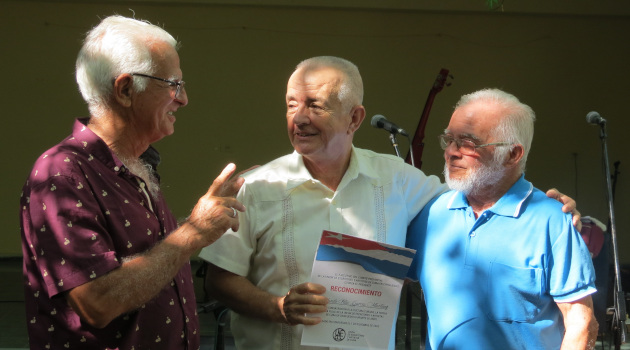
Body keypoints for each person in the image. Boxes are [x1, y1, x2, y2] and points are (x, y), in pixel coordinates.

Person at [199, 57, 579, 350]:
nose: (299, 118)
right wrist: (277, 307)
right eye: (291, 104)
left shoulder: (398, 179)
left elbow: (477, 193)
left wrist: (548, 208)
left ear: (354, 118)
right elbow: (219, 279)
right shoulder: (258, 186)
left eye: (315, 105)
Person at [20, 15, 246, 350]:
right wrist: (193, 232)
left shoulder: (138, 165)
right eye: (174, 84)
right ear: (125, 89)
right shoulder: (61, 172)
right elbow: (97, 302)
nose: (183, 99)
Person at [405, 88, 598, 349]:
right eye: (449, 139)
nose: (451, 152)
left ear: (512, 154)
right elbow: (384, 281)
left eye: (468, 143)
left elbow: (581, 323)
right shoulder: (433, 212)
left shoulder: (552, 221)